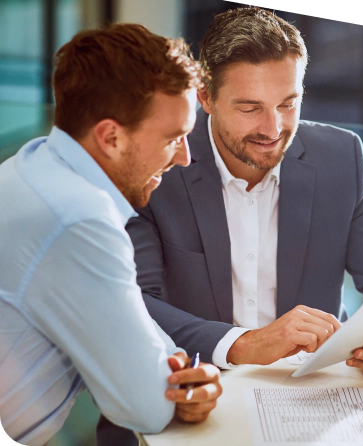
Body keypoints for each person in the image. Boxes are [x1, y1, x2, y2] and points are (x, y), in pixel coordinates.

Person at [97, 7, 363, 443]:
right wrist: (241, 344)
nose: (273, 128)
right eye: (250, 108)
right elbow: (133, 305)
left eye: (288, 103)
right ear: (205, 97)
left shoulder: (341, 157)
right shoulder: (158, 165)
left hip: (314, 406)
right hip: (192, 400)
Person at [0, 23, 223, 446]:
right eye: (173, 138)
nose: (185, 157)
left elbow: (141, 335)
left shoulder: (33, 165)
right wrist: (177, 383)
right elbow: (149, 408)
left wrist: (175, 372)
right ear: (111, 137)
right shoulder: (78, 219)